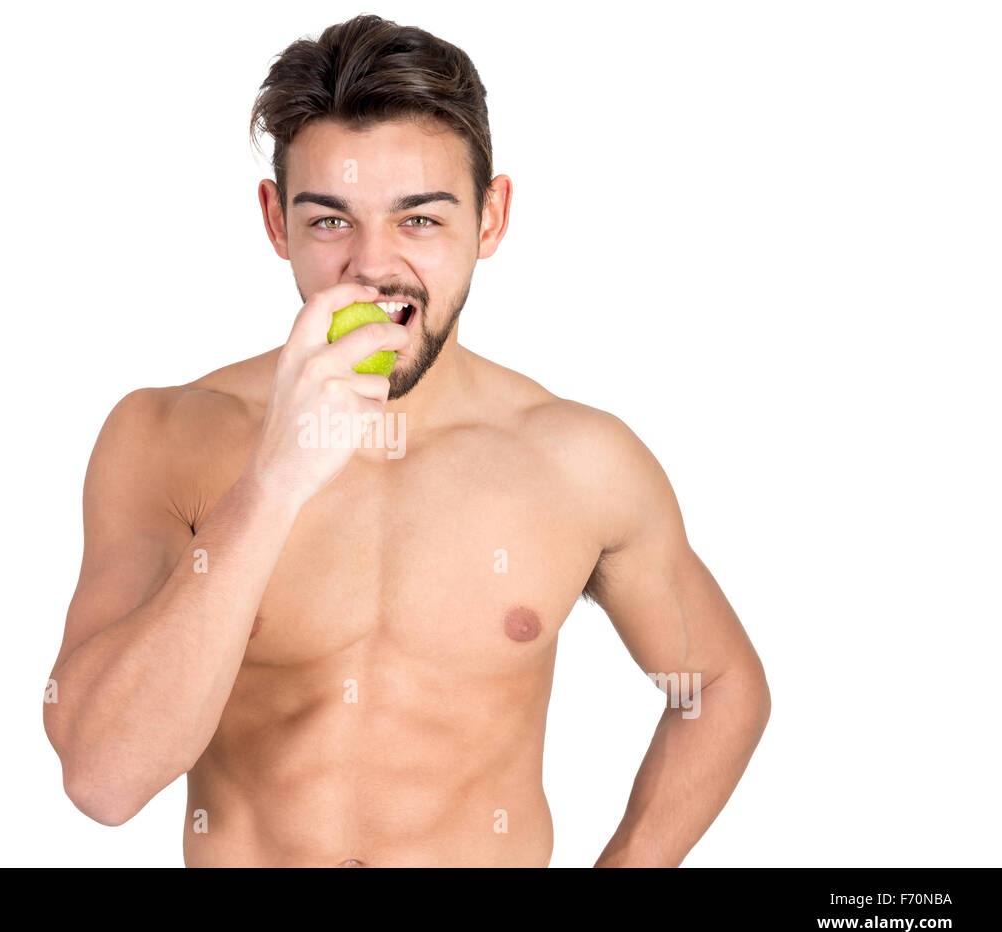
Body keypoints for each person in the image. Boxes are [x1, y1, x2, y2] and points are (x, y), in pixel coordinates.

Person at [43, 13, 770, 867]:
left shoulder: (582, 462)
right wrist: (272, 482)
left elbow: (720, 686)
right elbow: (102, 777)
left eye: (419, 220)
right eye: (329, 221)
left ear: (490, 218)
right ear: (276, 221)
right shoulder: (163, 435)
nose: (372, 265)